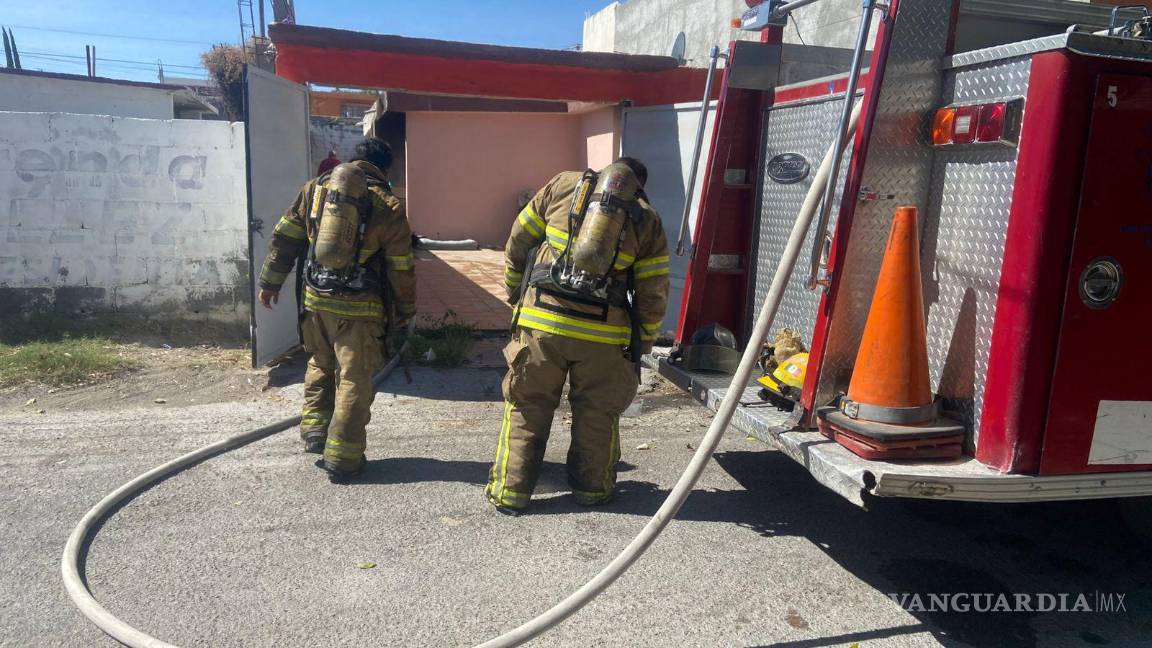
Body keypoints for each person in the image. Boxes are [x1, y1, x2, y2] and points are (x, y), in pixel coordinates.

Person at [486, 157, 670, 515]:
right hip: (603, 336)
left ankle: (511, 493)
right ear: (638, 189)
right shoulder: (647, 219)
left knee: (527, 406)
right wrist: (641, 344)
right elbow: (653, 294)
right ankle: (593, 491)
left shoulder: (561, 186)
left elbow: (517, 242)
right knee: (597, 413)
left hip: (542, 325)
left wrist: (515, 294)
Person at [258, 138, 416, 481]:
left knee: (319, 361)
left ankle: (314, 431)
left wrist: (270, 282)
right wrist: (406, 308)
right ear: (383, 169)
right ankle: (343, 459)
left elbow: (285, 236)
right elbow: (401, 266)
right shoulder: (388, 205)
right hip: (359, 309)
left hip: (315, 301)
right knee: (354, 379)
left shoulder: (315, 189)